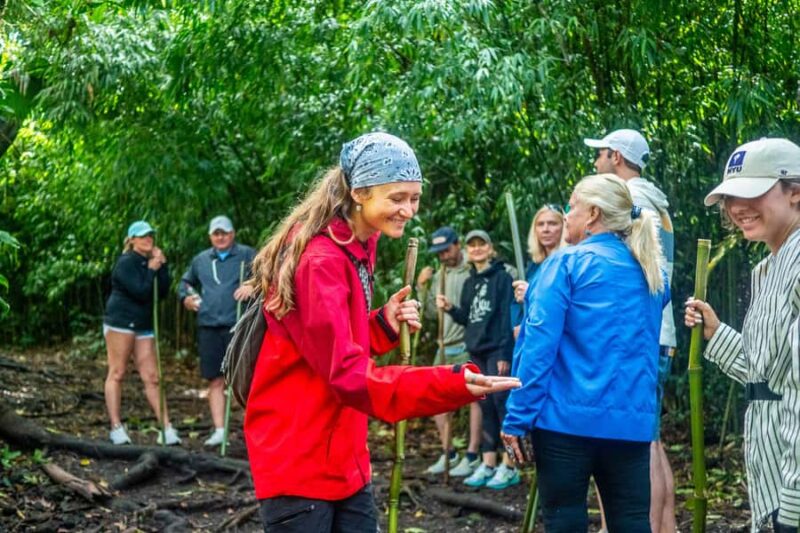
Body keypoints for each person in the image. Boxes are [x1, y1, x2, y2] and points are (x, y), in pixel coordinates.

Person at [243, 132, 520, 532]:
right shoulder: (320, 260)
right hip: (299, 459)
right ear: (359, 193)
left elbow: (331, 341)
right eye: (397, 198)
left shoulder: (361, 242)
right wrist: (453, 384)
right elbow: (349, 375)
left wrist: (382, 323)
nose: (409, 210)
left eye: (415, 198)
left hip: (342, 455)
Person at [502, 174, 669, 532]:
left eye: (572, 207)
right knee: (632, 522)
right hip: (631, 423)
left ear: (592, 214)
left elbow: (537, 350)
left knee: (564, 520)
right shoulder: (652, 272)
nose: (567, 215)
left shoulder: (565, 265)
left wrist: (517, 417)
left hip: (565, 423)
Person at [685, 138, 800, 533]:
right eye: (730, 197)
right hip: (773, 477)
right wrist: (716, 333)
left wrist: (795, 498)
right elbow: (766, 374)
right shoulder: (768, 267)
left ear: (796, 192)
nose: (736, 208)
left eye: (752, 193)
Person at [585, 128, 677, 532]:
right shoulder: (654, 201)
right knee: (650, 439)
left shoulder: (633, 202)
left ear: (616, 157)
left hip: (640, 335)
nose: (596, 162)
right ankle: (666, 525)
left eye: (600, 155)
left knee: (640, 442)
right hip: (657, 333)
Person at [437, 230, 519, 490]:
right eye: (471, 245)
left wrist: (506, 353)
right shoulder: (469, 282)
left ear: (490, 248)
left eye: (481, 244)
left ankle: (511, 464)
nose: (476, 249)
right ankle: (489, 462)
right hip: (477, 349)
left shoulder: (503, 277)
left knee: (501, 405)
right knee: (484, 406)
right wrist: (449, 308)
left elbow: (507, 317)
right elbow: (467, 318)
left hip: (497, 348)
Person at [179, 215, 256, 447]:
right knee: (215, 380)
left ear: (233, 234)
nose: (220, 237)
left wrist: (252, 284)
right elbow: (184, 283)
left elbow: (270, 274)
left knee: (246, 380)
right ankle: (219, 430)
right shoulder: (201, 259)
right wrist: (187, 298)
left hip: (240, 326)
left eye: (224, 233)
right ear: (210, 236)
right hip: (209, 325)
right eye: (216, 233)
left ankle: (253, 431)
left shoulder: (247, 254)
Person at [103, 220, 180, 446]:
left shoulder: (151, 262)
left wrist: (162, 266)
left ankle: (166, 427)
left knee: (153, 377)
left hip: (143, 326)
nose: (148, 239)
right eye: (143, 236)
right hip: (121, 322)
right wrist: (152, 269)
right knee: (117, 372)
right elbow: (141, 291)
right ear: (132, 240)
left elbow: (163, 291)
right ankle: (116, 427)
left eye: (151, 236)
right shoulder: (125, 262)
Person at [417, 227, 483, 477]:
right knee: (433, 398)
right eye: (439, 253)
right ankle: (449, 452)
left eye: (447, 250)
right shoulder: (439, 275)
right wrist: (422, 288)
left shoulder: (472, 270)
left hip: (467, 344)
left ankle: (472, 455)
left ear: (458, 245)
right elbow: (433, 314)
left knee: (475, 399)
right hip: (444, 346)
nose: (444, 256)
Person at [511, 204, 566, 332]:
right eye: (540, 224)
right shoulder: (533, 267)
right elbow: (517, 302)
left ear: (564, 227)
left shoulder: (569, 262)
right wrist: (517, 325)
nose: (545, 229)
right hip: (532, 338)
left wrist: (531, 293)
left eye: (552, 223)